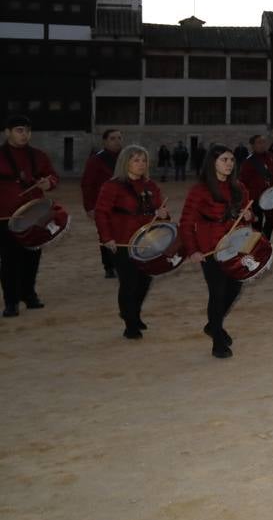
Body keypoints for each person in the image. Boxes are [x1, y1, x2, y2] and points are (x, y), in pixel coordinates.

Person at [181, 145, 255, 359]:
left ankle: (213, 325)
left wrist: (249, 215)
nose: (229, 164)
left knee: (234, 288)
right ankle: (218, 342)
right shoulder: (200, 190)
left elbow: (246, 216)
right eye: (224, 159)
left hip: (236, 247)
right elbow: (186, 223)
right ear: (212, 162)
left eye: (232, 159)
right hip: (210, 249)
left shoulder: (239, 187)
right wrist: (193, 250)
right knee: (218, 292)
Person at [96, 145, 170, 339]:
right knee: (129, 283)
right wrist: (106, 238)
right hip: (123, 242)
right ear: (125, 162)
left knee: (144, 282)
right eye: (136, 160)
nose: (141, 164)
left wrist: (163, 214)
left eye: (144, 160)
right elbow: (101, 214)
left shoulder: (151, 186)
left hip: (148, 243)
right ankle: (130, 324)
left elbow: (160, 212)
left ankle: (134, 314)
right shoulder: (112, 186)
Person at [0, 115, 58, 317]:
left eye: (27, 130)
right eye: (19, 130)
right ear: (7, 133)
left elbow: (53, 177)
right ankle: (11, 302)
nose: (24, 135)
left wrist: (48, 183)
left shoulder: (39, 155)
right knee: (9, 261)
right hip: (6, 218)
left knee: (32, 258)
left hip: (34, 216)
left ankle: (29, 295)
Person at [82, 128, 124, 278]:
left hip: (124, 204)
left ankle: (122, 265)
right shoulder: (96, 160)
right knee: (105, 235)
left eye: (119, 138)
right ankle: (109, 266)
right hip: (104, 205)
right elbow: (87, 184)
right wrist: (89, 207)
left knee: (124, 234)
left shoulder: (127, 158)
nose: (117, 141)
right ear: (105, 141)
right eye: (113, 138)